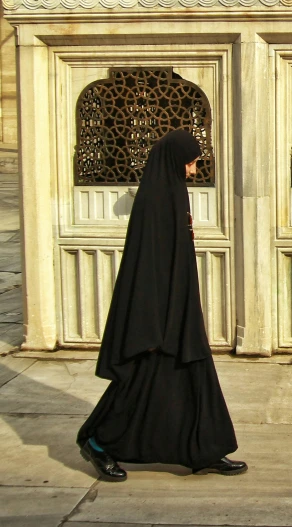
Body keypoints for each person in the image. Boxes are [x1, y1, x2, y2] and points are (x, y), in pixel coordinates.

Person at [77, 130, 247, 480]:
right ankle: (97, 442)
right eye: (190, 163)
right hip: (159, 315)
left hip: (179, 309)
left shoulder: (173, 192)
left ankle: (205, 450)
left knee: (194, 376)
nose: (194, 171)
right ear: (173, 161)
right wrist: (152, 323)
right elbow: (147, 267)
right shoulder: (155, 199)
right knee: (139, 383)